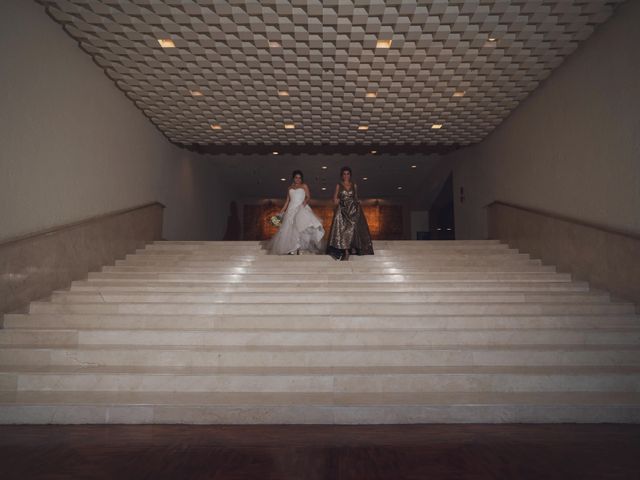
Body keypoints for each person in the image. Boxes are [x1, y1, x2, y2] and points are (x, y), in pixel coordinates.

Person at [268, 170, 325, 255]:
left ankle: (299, 248)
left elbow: (308, 197)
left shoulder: (304, 186)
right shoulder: (289, 188)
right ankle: (292, 248)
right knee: (289, 229)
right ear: (293, 178)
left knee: (300, 227)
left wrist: (303, 205)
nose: (298, 179)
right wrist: (281, 212)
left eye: (299, 178)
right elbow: (287, 201)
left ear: (301, 179)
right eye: (296, 177)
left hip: (301, 207)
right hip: (291, 209)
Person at [327, 166, 374, 260]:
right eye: (344, 174)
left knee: (353, 229)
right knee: (344, 231)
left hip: (353, 210)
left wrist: (358, 203)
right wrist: (337, 201)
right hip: (343, 210)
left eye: (348, 174)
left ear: (350, 175)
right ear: (342, 175)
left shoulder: (354, 185)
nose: (346, 175)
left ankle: (353, 248)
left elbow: (356, 198)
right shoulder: (338, 185)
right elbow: (335, 198)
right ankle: (346, 252)